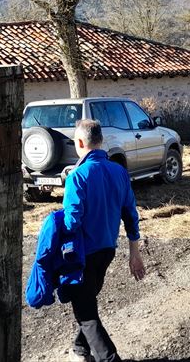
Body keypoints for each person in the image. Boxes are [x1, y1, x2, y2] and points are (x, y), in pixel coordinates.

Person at [61, 119, 145, 362]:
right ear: (100, 141)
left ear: (79, 142)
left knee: (86, 314)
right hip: (107, 250)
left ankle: (109, 359)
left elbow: (72, 222)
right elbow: (130, 214)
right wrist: (134, 253)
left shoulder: (77, 176)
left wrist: (56, 223)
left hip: (83, 255)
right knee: (87, 302)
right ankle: (80, 351)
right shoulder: (119, 172)